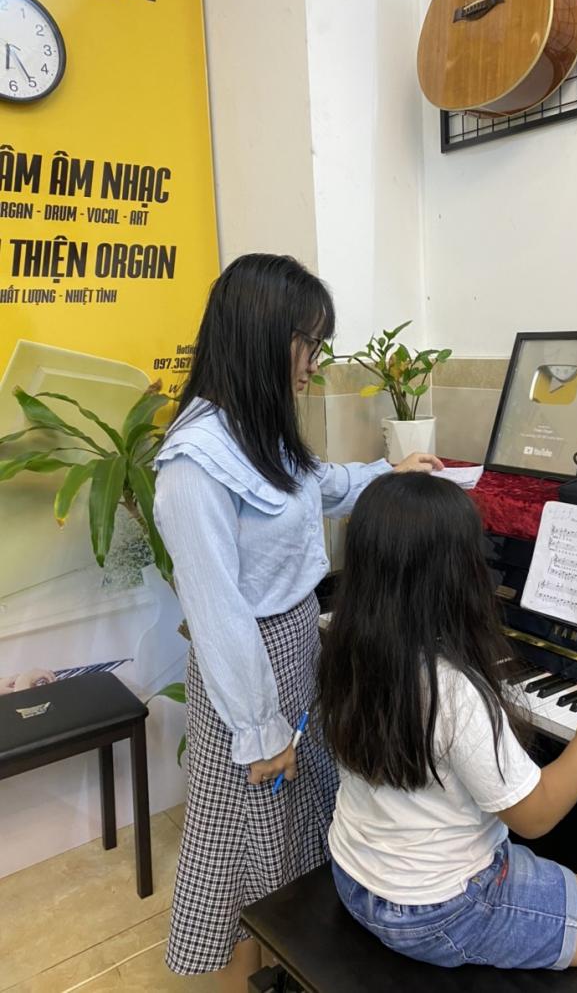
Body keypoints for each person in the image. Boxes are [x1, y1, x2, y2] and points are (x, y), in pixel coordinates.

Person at [153, 253, 441, 992]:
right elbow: (217, 614)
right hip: (246, 674)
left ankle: (283, 972)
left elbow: (321, 485)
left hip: (293, 647)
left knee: (288, 836)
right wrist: (260, 729)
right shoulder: (194, 460)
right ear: (260, 334)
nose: (315, 360)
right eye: (306, 341)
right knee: (243, 853)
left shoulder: (259, 427)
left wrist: (391, 473)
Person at [317, 473, 577, 993]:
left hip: (356, 874)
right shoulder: (452, 691)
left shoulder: (346, 643)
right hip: (438, 909)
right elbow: (536, 816)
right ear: (456, 575)